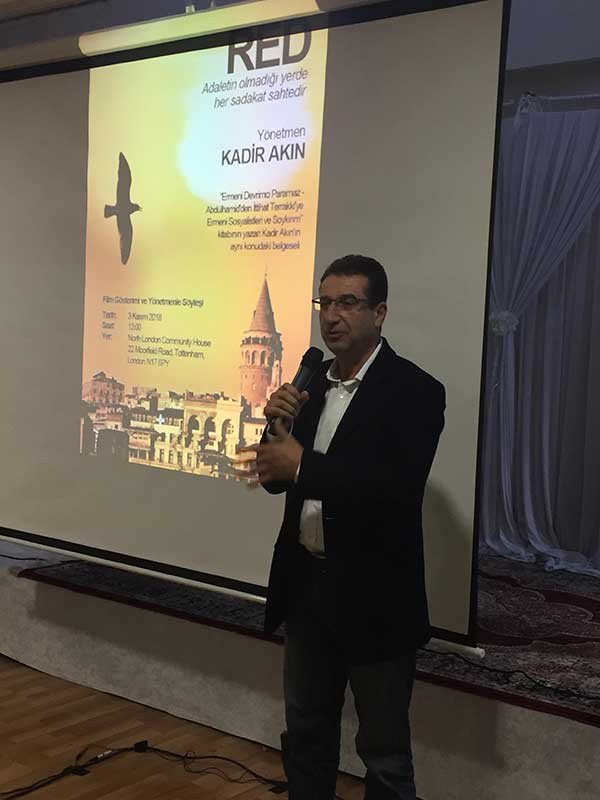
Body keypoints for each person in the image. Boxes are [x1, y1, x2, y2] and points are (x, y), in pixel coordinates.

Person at [250, 255, 445, 800]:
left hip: (375, 598)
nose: (331, 316)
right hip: (307, 590)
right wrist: (277, 428)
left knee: (383, 754)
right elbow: (272, 479)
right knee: (306, 735)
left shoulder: (415, 391)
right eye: (325, 303)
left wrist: (303, 466)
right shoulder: (309, 384)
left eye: (348, 303)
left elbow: (393, 489)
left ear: (379, 313)